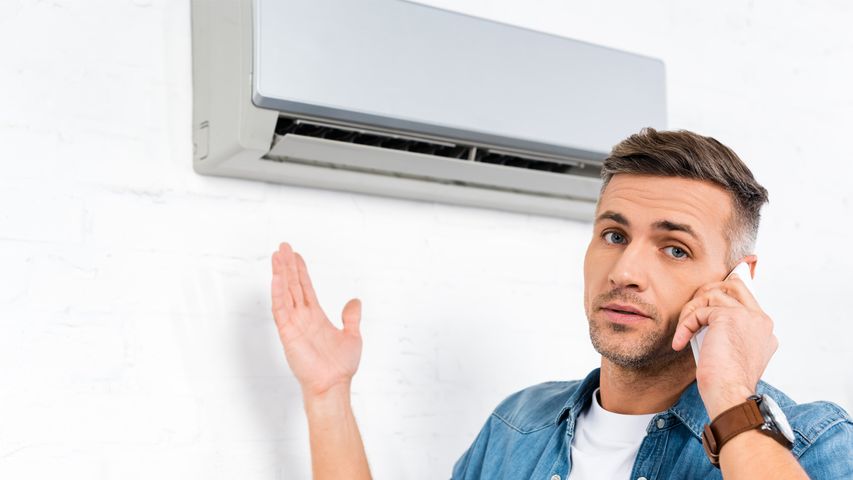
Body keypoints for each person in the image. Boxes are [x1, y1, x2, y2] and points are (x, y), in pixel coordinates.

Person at [270, 128, 853, 479]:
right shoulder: (516, 426)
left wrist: (729, 395)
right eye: (614, 235)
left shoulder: (813, 443)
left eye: (674, 249)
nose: (625, 272)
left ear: (737, 282)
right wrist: (328, 396)